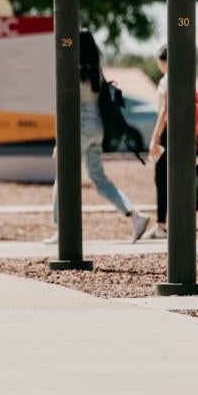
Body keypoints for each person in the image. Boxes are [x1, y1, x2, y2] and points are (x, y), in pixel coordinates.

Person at [45, 31, 151, 244]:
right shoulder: (96, 71)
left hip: (80, 127)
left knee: (63, 177)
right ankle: (134, 215)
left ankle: (62, 228)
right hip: (98, 128)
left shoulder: (72, 70)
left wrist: (61, 141)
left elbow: (67, 107)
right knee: (99, 179)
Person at [143, 45, 170, 239]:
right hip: (182, 135)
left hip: (166, 135)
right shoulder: (184, 77)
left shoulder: (165, 81)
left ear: (163, 61)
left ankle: (161, 225)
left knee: (161, 179)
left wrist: (155, 137)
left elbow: (163, 112)